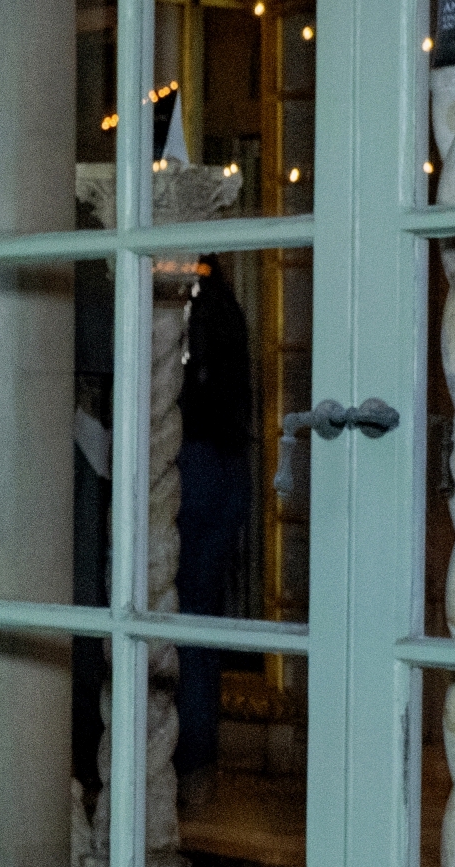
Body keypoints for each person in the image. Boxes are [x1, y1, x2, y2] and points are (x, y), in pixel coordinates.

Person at [174, 260, 251, 810]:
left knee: (177, 619)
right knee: (202, 621)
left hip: (194, 461)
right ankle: (201, 762)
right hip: (231, 466)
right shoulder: (230, 307)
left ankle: (185, 760)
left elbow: (186, 393)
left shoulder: (190, 308)